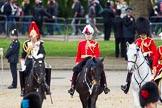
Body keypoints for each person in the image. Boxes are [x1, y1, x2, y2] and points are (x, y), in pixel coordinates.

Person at [68, 24, 110, 96]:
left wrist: (93, 59)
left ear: (92, 34)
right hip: (82, 61)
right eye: (87, 34)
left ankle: (105, 86)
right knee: (75, 71)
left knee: (101, 71)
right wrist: (77, 62)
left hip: (92, 62)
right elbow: (78, 55)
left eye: (89, 34)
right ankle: (73, 87)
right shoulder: (81, 43)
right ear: (84, 34)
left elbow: (97, 54)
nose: (88, 35)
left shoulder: (95, 43)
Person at [121, 17, 157, 94]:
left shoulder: (150, 41)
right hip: (138, 59)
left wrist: (147, 53)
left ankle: (154, 82)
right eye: (141, 33)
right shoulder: (137, 41)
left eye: (143, 33)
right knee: (130, 69)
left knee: (153, 67)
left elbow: (154, 51)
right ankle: (127, 84)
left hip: (148, 58)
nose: (142, 35)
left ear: (146, 32)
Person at [20, 21, 50, 96]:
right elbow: (23, 55)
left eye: (34, 37)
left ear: (37, 36)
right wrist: (23, 63)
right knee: (24, 71)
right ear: (30, 37)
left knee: (46, 69)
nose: (33, 38)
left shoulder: (40, 43)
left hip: (38, 60)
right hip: (29, 60)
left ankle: (47, 86)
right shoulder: (27, 44)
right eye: (31, 37)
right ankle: (23, 88)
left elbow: (43, 52)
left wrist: (38, 58)